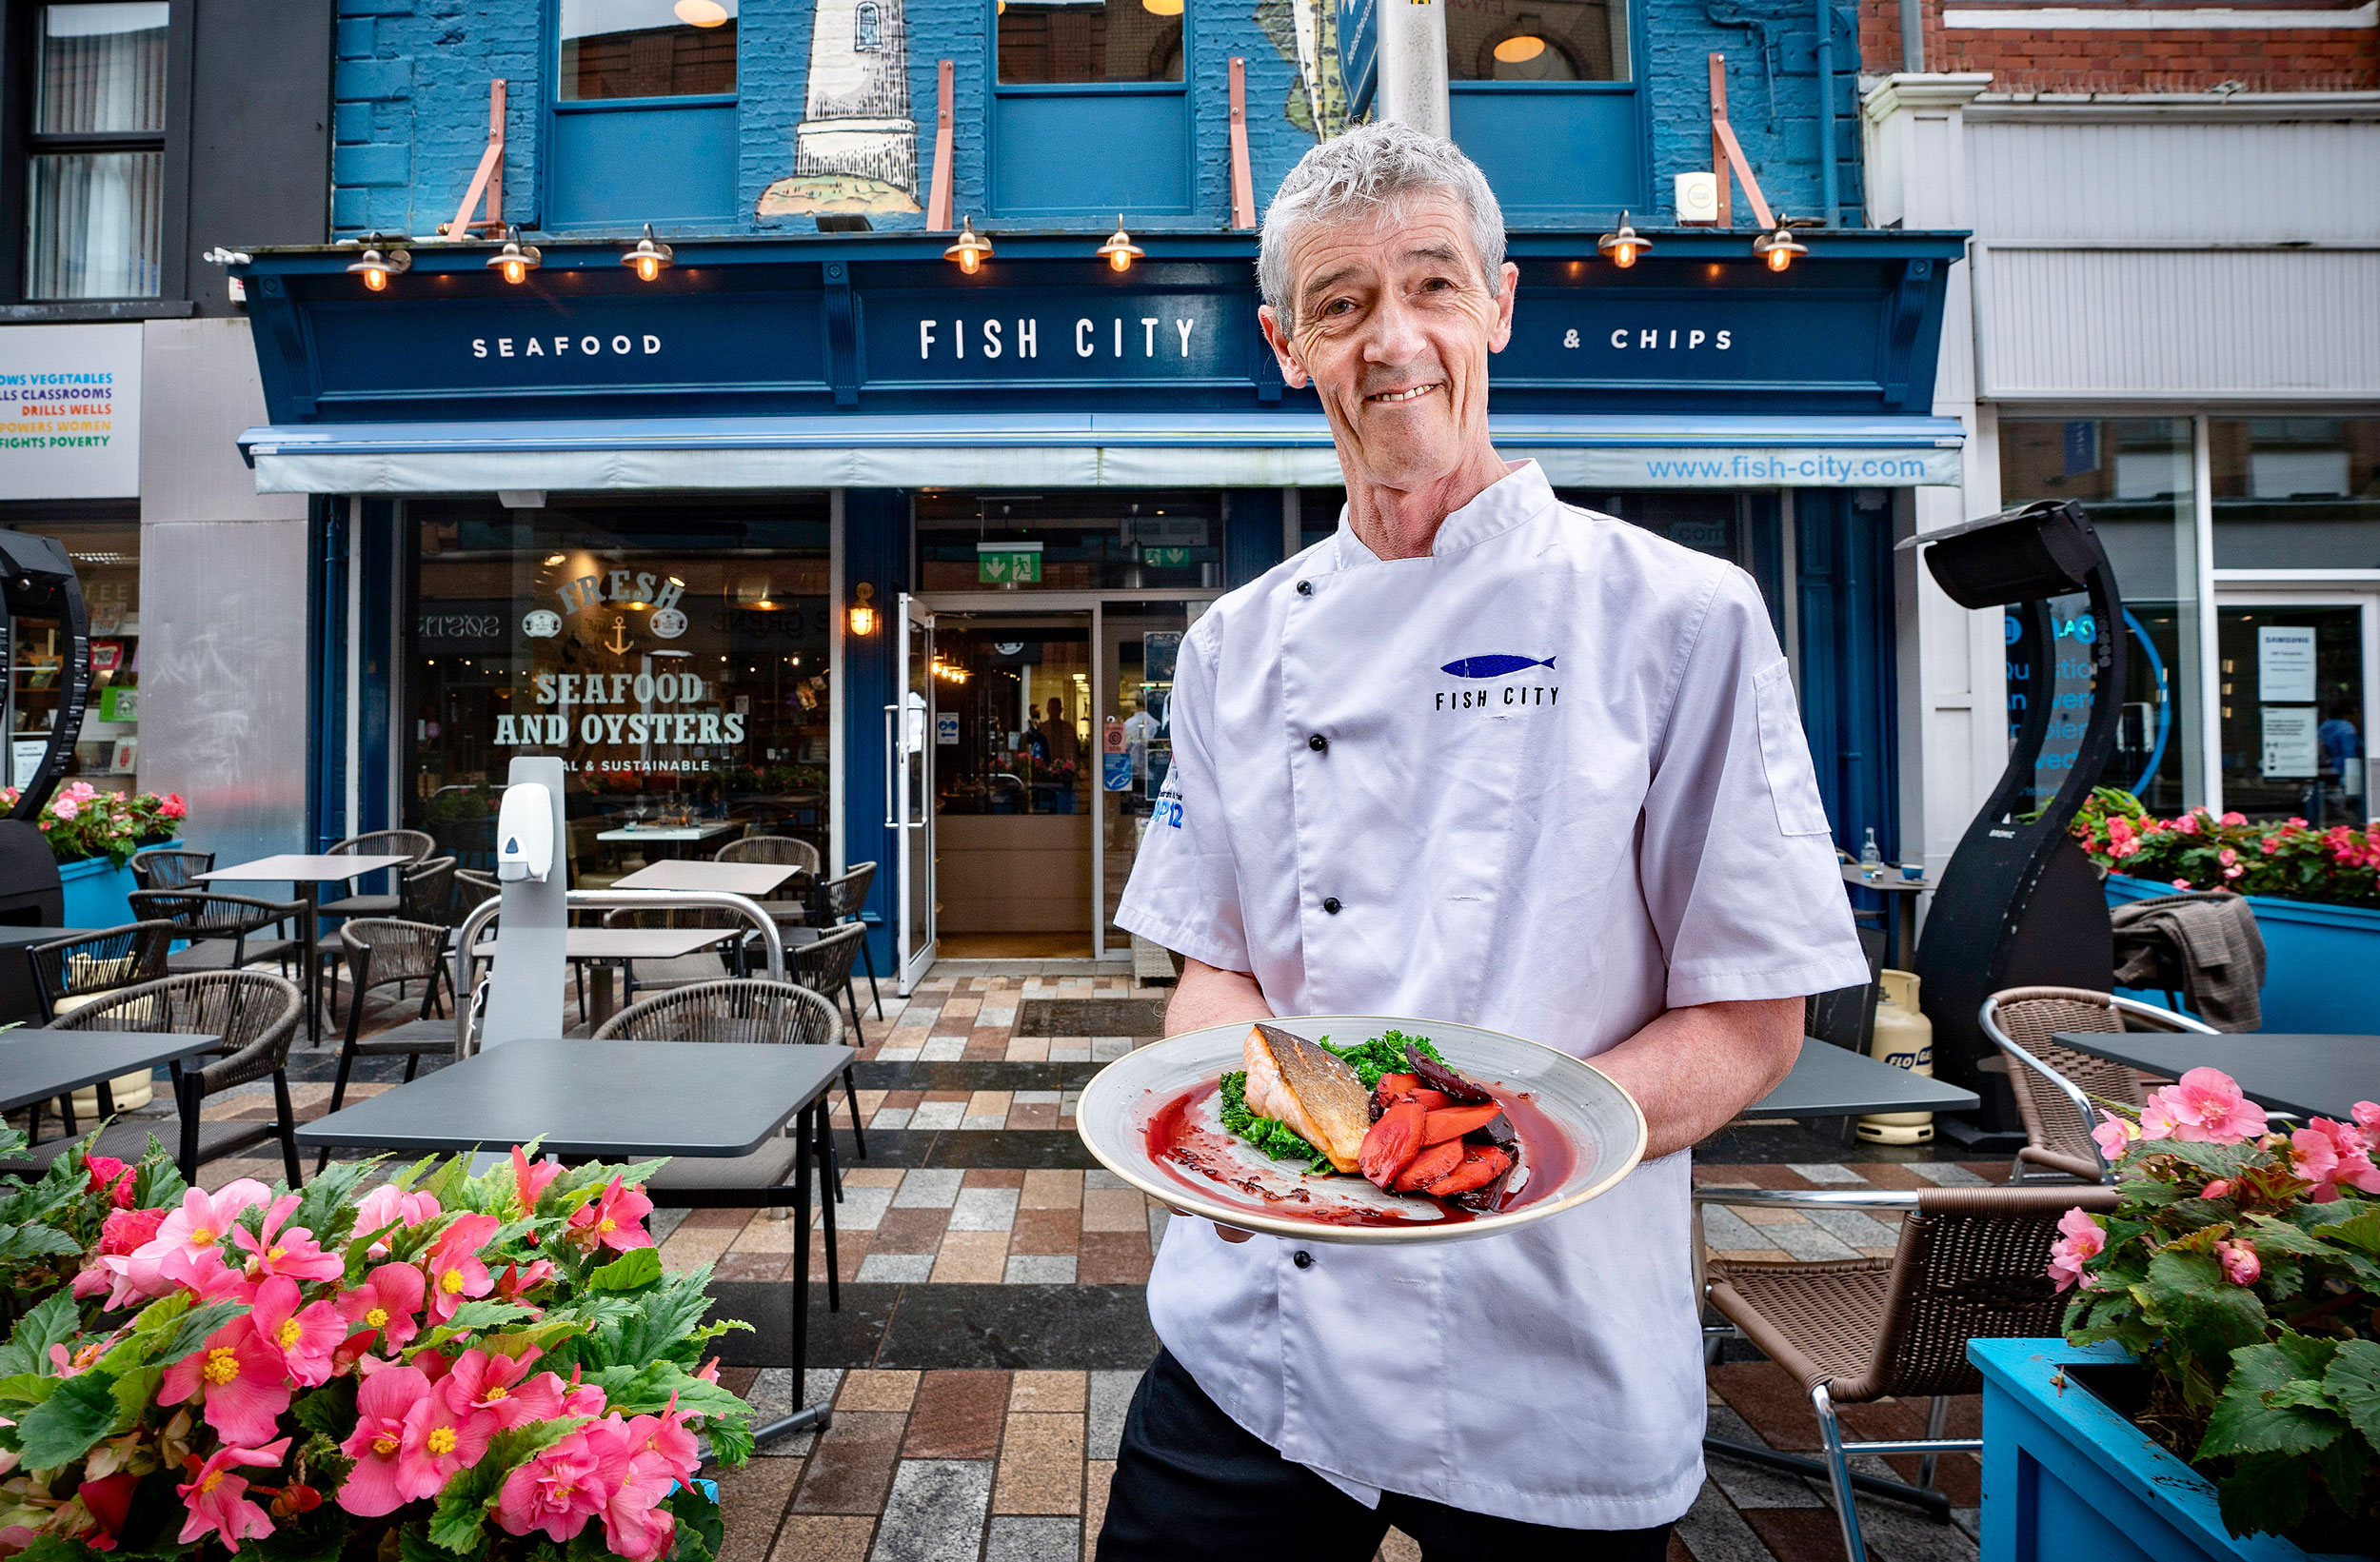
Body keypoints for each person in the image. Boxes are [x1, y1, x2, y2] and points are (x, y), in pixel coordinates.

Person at [1098, 123, 1868, 1560]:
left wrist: (1485, 1147)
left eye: (1432, 286)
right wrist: (1257, 1136)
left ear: (1499, 305)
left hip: (1550, 1344)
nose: (1393, 340)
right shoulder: (1232, 649)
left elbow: (1756, 1016)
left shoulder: (1680, 616)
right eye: (1340, 305)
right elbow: (1212, 971)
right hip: (1262, 1326)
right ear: (1284, 344)